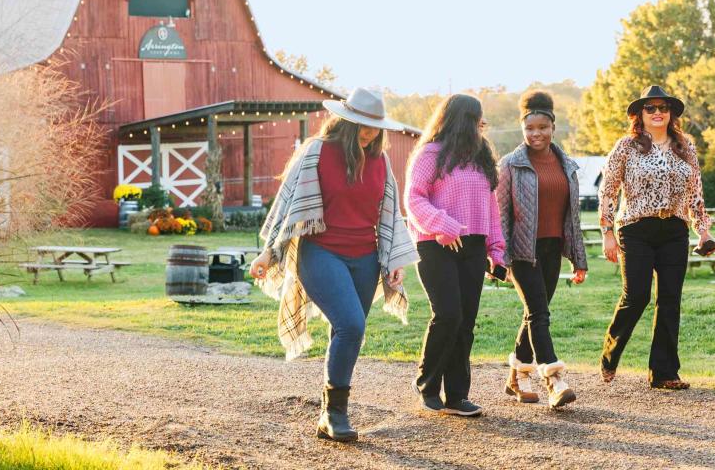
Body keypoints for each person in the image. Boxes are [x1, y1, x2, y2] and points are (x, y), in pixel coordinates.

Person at [249, 87, 419, 442]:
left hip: (365, 257)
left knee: (345, 330)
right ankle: (334, 412)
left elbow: (388, 214)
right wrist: (270, 252)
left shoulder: (381, 162)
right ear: (345, 120)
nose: (369, 131)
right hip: (321, 253)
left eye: (375, 126)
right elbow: (288, 204)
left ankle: (331, 412)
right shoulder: (316, 152)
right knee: (352, 325)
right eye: (361, 124)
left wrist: (391, 260)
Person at [598, 85, 713, 390]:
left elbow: (696, 193)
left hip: (674, 229)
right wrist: (607, 231)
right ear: (640, 114)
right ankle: (611, 353)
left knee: (670, 300)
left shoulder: (685, 147)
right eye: (651, 108)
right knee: (637, 296)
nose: (658, 113)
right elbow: (608, 191)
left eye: (663, 108)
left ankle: (663, 372)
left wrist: (703, 231)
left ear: (671, 113)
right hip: (636, 227)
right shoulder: (626, 146)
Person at [404, 94, 504, 417]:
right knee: (448, 314)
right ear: (459, 120)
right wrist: (442, 225)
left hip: (473, 245)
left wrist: (496, 250)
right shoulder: (429, 154)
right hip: (435, 243)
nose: (479, 127)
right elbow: (414, 199)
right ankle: (428, 385)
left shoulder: (481, 158)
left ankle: (457, 395)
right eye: (474, 121)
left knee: (466, 322)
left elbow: (491, 207)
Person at [495, 90, 587, 408]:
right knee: (539, 313)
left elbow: (572, 217)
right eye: (529, 129)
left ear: (552, 127)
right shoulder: (510, 165)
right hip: (522, 251)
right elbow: (501, 214)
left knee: (535, 314)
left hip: (552, 250)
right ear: (523, 130)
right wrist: (498, 257)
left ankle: (516, 377)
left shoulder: (567, 165)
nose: (536, 134)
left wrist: (579, 258)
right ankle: (554, 378)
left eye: (542, 128)